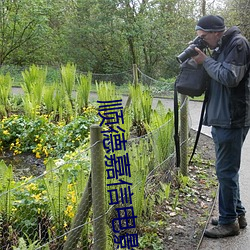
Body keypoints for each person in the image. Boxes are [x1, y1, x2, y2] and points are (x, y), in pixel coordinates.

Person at [192, 15, 250, 238]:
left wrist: (205, 61)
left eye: (204, 37)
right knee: (227, 171)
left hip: (232, 118)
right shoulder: (221, 46)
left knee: (225, 171)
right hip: (222, 117)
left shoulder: (238, 44)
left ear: (216, 32)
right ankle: (237, 214)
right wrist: (202, 60)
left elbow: (229, 77)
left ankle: (228, 223)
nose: (203, 41)